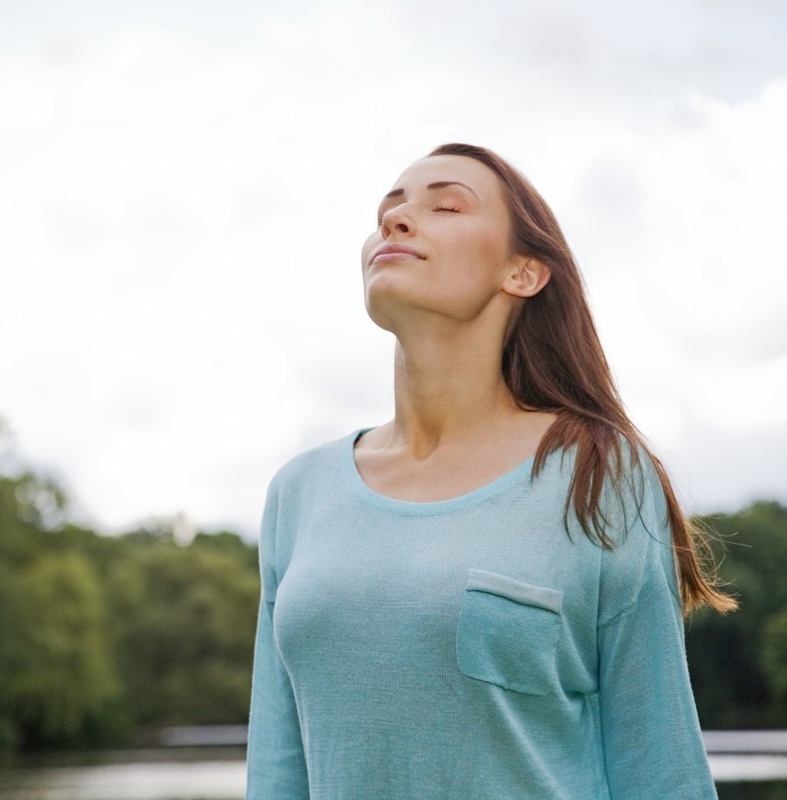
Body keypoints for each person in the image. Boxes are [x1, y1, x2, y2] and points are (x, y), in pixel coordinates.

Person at [244, 143, 736, 799]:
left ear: (524, 273)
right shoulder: (298, 494)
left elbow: (661, 766)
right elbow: (277, 774)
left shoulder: (599, 472)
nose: (396, 220)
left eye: (444, 205)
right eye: (387, 209)